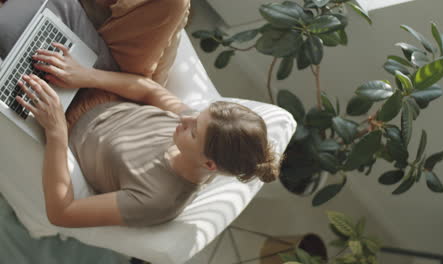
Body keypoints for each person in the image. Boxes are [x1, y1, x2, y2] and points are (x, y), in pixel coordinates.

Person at [14, 0, 281, 228]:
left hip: (63, 117)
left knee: (9, 26)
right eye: (197, 117)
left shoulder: (158, 200)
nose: (184, 118)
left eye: (193, 130)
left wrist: (56, 130)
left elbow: (63, 213)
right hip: (101, 84)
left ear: (209, 165)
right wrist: (86, 75)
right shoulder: (202, 136)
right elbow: (150, 91)